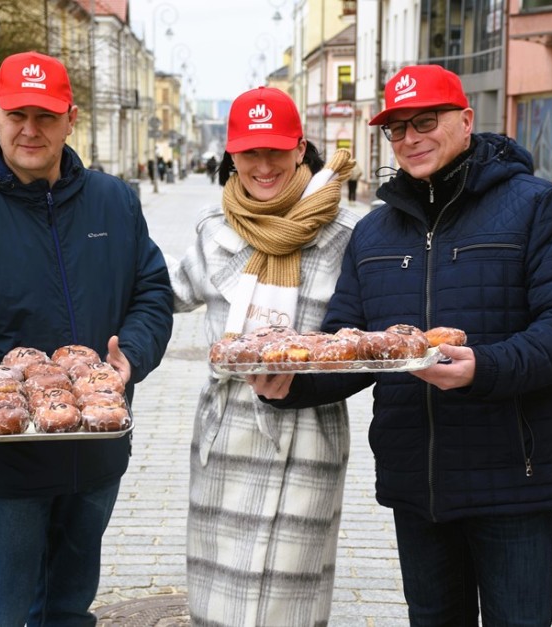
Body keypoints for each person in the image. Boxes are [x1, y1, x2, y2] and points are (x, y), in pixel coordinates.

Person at [249, 64, 552, 625]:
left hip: (511, 478)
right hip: (417, 484)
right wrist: (288, 386)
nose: (410, 138)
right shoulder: (374, 230)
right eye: (397, 128)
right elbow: (351, 343)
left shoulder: (537, 206)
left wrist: (483, 367)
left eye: (425, 121)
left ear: (465, 121)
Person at [0, 51, 174, 627]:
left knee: (68, 610)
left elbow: (151, 292)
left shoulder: (114, 201)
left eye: (45, 116)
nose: (30, 129)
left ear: (71, 118)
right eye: (17, 113)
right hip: (3, 463)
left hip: (93, 452)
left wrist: (133, 358)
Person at [168, 86, 360, 626]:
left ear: (300, 148)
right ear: (231, 155)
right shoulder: (214, 231)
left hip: (306, 430)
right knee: (218, 599)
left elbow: (363, 337)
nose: (264, 164)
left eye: (276, 149)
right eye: (250, 151)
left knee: (287, 604)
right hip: (225, 431)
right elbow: (165, 294)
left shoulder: (343, 235)